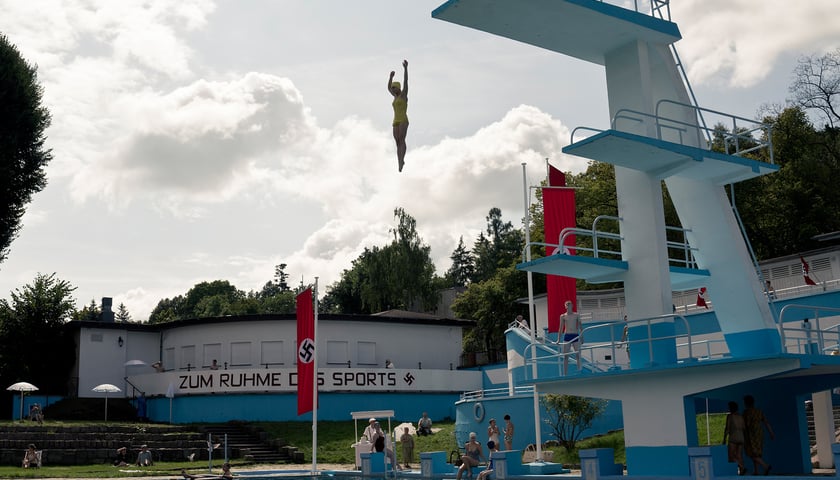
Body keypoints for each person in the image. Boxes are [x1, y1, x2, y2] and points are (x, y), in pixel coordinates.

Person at [743, 394, 774, 475]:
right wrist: (771, 432)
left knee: (751, 452)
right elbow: (766, 422)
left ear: (746, 403)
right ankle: (756, 471)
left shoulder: (746, 412)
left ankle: (765, 466)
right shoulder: (759, 411)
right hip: (759, 432)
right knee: (757, 452)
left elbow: (746, 424)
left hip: (751, 434)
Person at [388, 59, 409, 172]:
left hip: (403, 120)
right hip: (395, 120)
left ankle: (402, 160)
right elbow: (387, 88)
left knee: (402, 139)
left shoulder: (403, 95)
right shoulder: (395, 97)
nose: (392, 89)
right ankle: (400, 161)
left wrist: (405, 69)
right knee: (397, 141)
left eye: (394, 87)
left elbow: (406, 82)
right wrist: (390, 77)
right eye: (392, 88)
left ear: (398, 88)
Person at [722, 401, 746, 476]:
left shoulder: (730, 416)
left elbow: (727, 428)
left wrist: (724, 438)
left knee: (731, 456)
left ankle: (742, 467)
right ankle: (741, 471)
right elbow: (744, 427)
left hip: (733, 437)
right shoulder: (741, 416)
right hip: (741, 437)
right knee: (739, 455)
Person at [559, 300, 582, 374]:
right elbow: (561, 328)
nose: (568, 306)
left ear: (572, 306)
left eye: (569, 304)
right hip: (567, 336)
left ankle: (579, 371)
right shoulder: (563, 316)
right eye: (567, 305)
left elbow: (580, 326)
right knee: (566, 356)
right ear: (565, 306)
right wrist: (558, 339)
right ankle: (565, 374)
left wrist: (582, 337)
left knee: (578, 355)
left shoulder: (576, 315)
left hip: (575, 335)